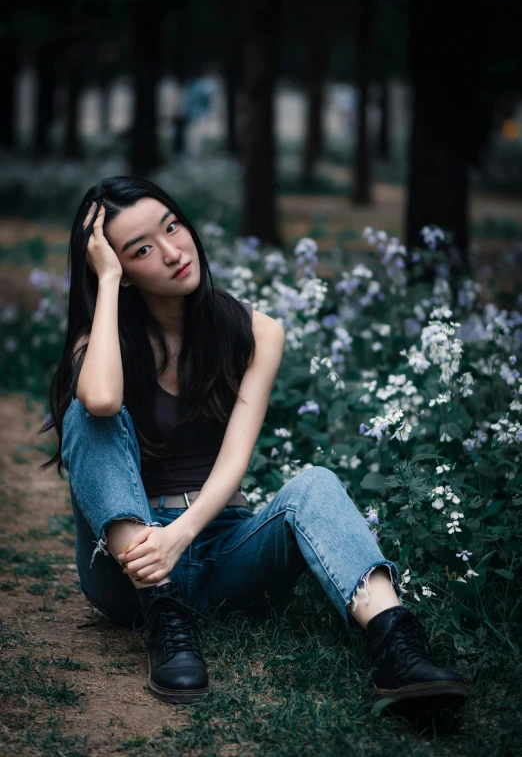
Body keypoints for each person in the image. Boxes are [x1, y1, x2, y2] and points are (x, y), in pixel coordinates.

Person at [38, 176, 469, 715]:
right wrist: (105, 282)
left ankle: (398, 648)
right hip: (130, 570)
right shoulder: (101, 344)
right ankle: (165, 616)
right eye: (142, 249)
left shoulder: (257, 332)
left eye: (173, 227)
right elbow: (101, 399)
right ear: (120, 270)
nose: (173, 252)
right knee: (86, 410)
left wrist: (182, 536)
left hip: (221, 550)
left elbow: (234, 460)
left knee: (315, 483)